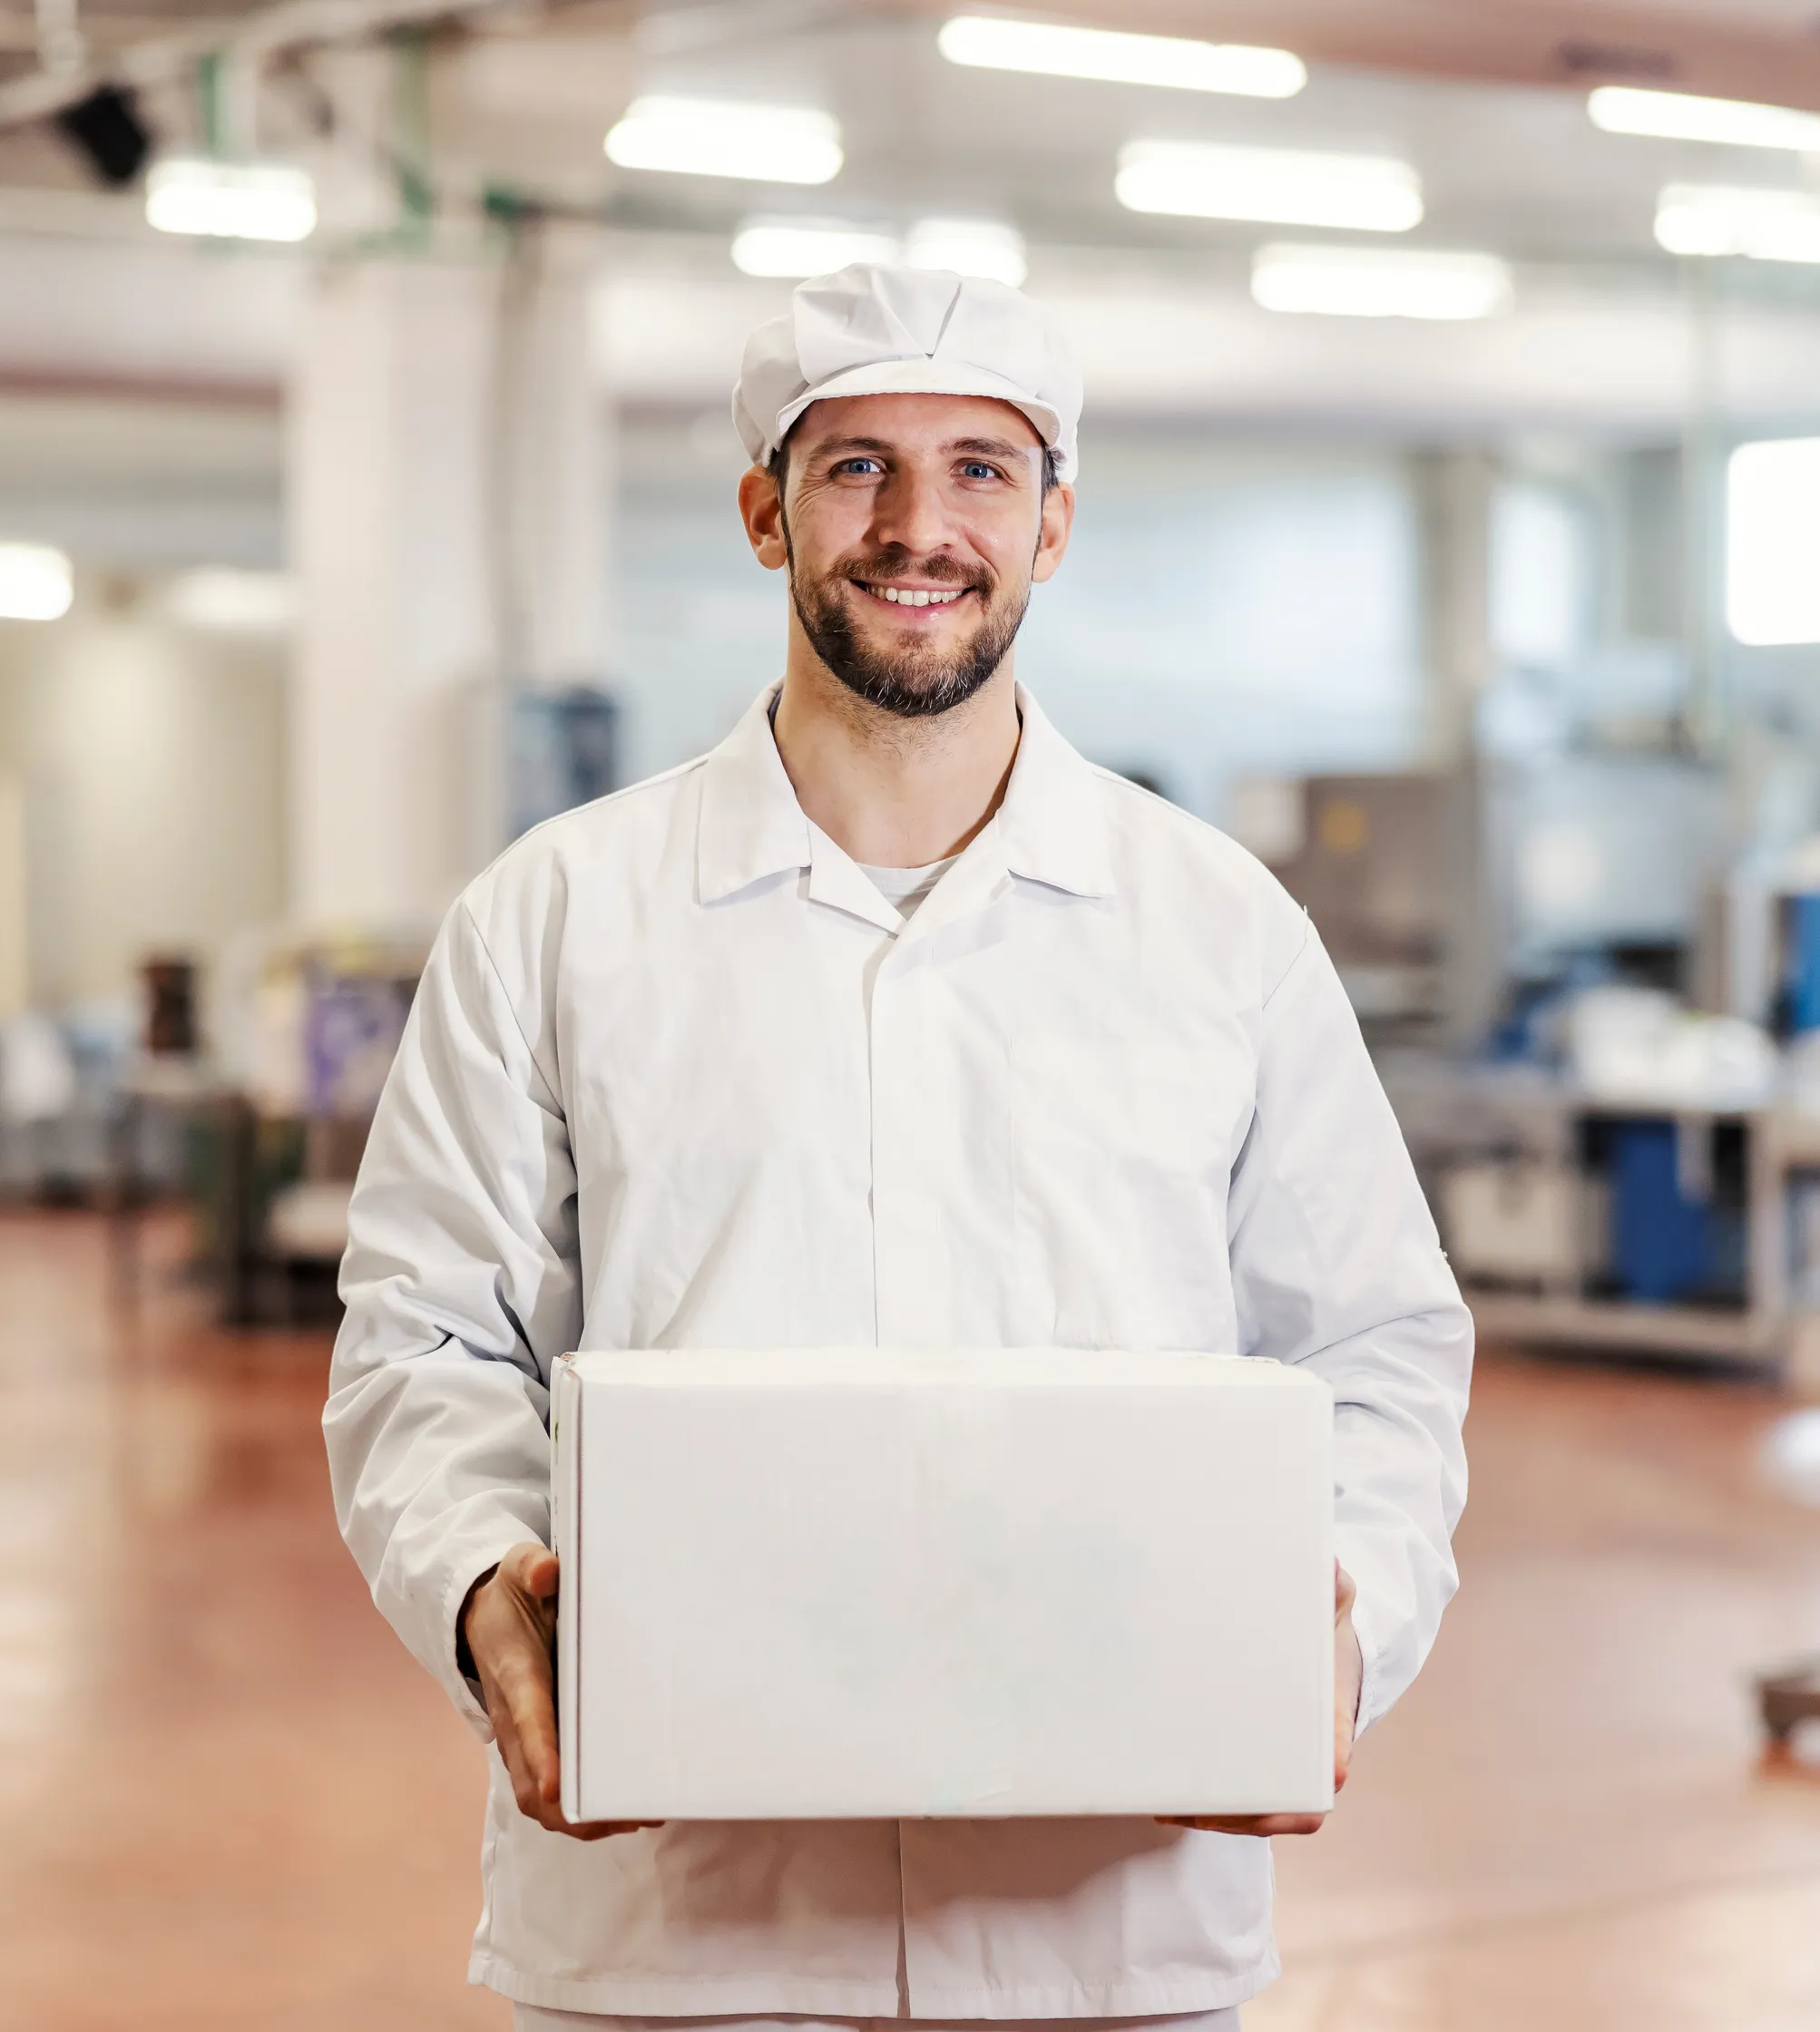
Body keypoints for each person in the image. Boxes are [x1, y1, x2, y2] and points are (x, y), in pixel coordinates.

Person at [325, 262, 1472, 2031]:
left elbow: (1374, 1346)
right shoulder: (553, 919)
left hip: (1111, 1925)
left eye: (981, 469)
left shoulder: (1216, 930)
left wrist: (1345, 1616)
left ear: (1057, 520)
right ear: (762, 511)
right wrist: (485, 1588)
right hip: (675, 1930)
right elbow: (424, 1341)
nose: (919, 525)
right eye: (855, 465)